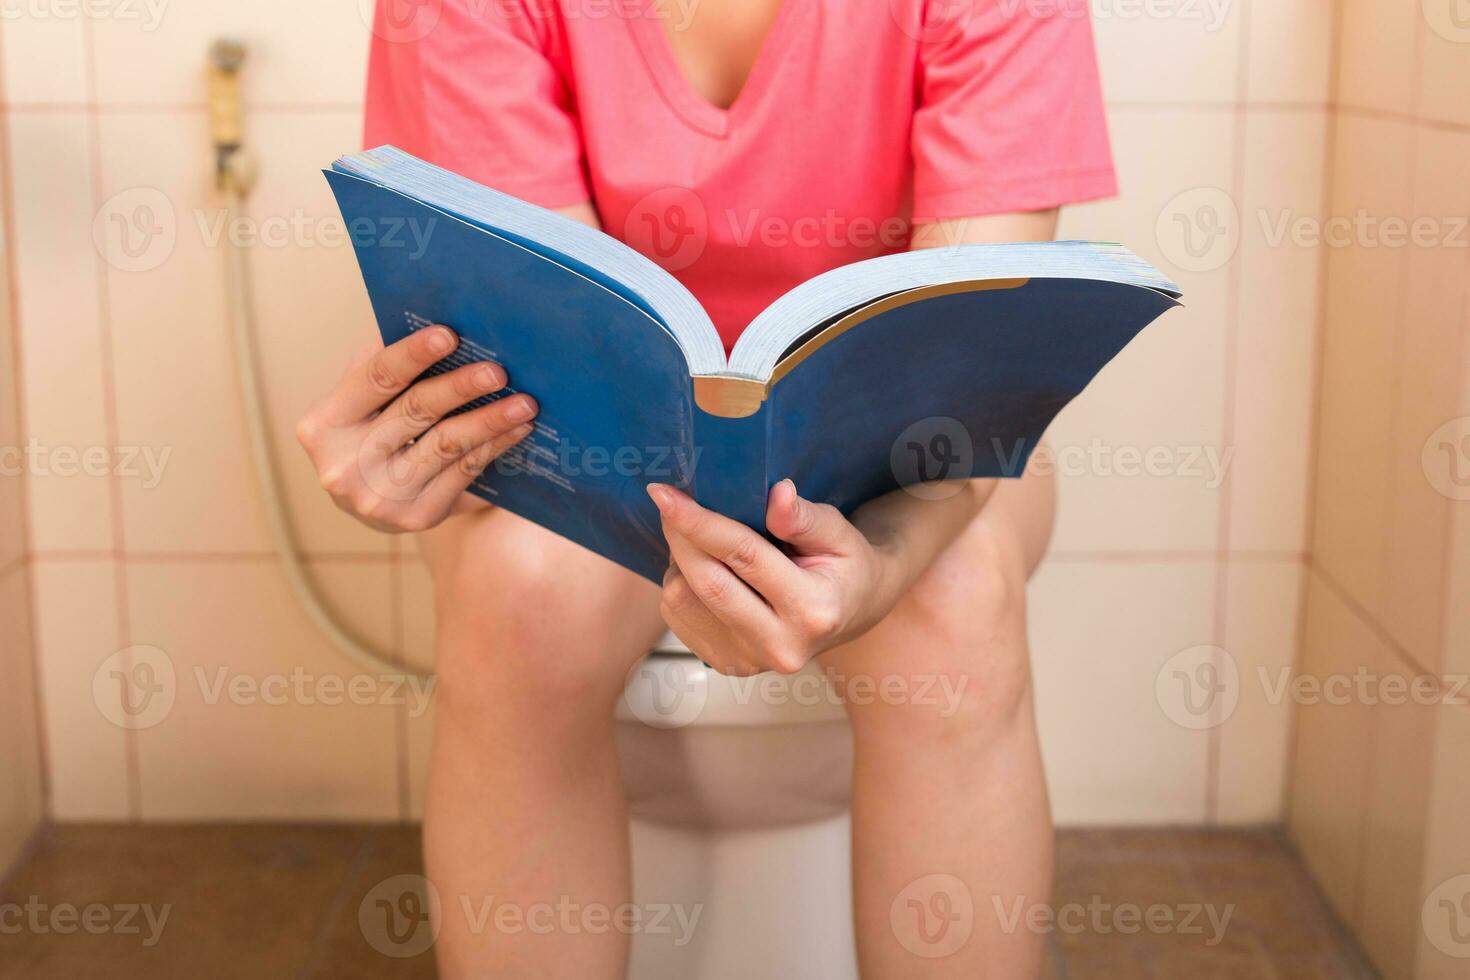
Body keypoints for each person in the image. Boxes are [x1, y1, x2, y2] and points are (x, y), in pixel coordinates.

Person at [296, 0, 1115, 975]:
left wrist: (888, 561)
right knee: (524, 600)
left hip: (903, 450)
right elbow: (554, 347)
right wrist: (431, 450)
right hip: (604, 456)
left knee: (954, 606)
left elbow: (964, 364)